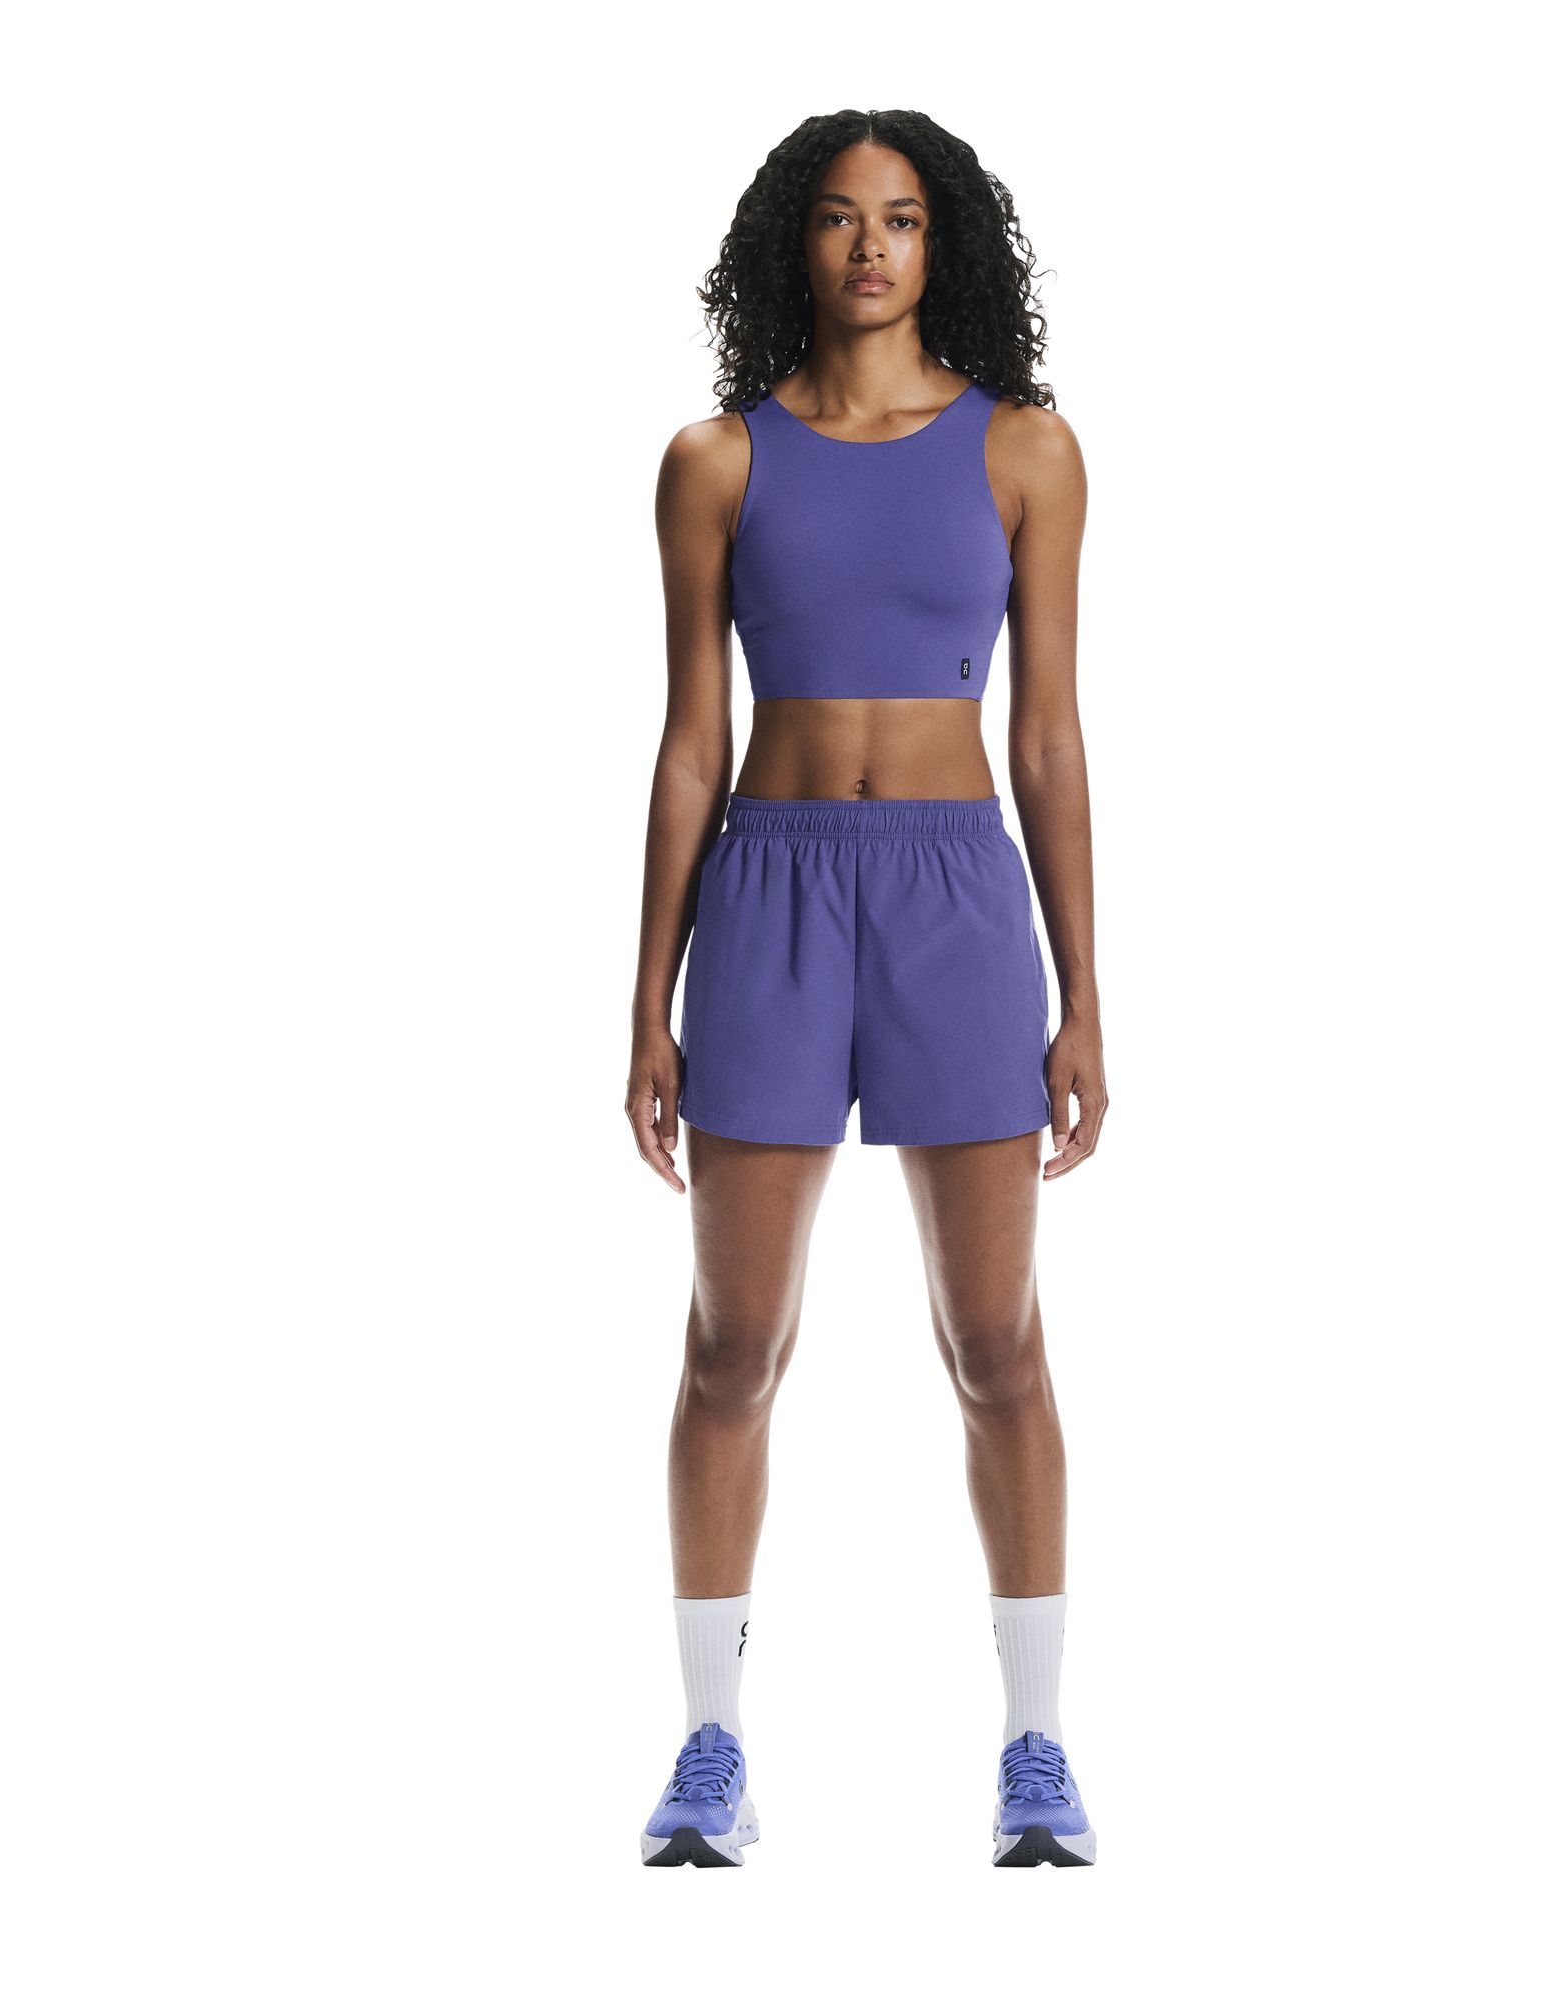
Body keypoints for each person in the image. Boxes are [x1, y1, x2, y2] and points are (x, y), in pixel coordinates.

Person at [625, 109, 1108, 1868]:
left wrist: (1084, 991)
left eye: (902, 219)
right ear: (797, 246)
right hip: (768, 893)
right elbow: (693, 744)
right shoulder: (715, 461)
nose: (871, 248)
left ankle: (1037, 1747)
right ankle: (710, 1749)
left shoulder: (1026, 451)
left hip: (956, 900)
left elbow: (1046, 739)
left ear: (941, 242)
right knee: (732, 1345)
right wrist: (647, 996)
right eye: (839, 219)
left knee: (995, 1343)